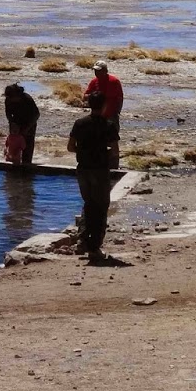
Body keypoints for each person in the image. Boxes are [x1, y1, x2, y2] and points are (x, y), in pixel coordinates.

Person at [68, 91, 116, 265]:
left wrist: (83, 151)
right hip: (100, 170)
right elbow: (114, 150)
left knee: (88, 204)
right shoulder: (108, 125)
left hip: (83, 170)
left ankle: (82, 240)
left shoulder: (80, 123)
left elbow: (70, 147)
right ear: (104, 105)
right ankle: (94, 247)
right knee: (101, 207)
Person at [82, 59, 123, 168]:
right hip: (96, 117)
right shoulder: (94, 81)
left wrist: (116, 113)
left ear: (105, 70)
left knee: (112, 142)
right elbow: (85, 96)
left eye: (99, 71)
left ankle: (114, 167)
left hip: (110, 117)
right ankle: (99, 165)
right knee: (97, 142)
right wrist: (91, 97)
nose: (96, 73)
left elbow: (118, 99)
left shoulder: (114, 81)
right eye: (95, 71)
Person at [3, 82, 39, 166]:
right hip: (16, 123)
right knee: (14, 145)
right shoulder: (8, 99)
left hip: (29, 122)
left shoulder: (27, 99)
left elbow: (36, 115)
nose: (10, 99)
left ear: (17, 95)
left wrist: (27, 128)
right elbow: (8, 113)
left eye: (12, 97)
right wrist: (11, 123)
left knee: (27, 145)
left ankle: (27, 164)